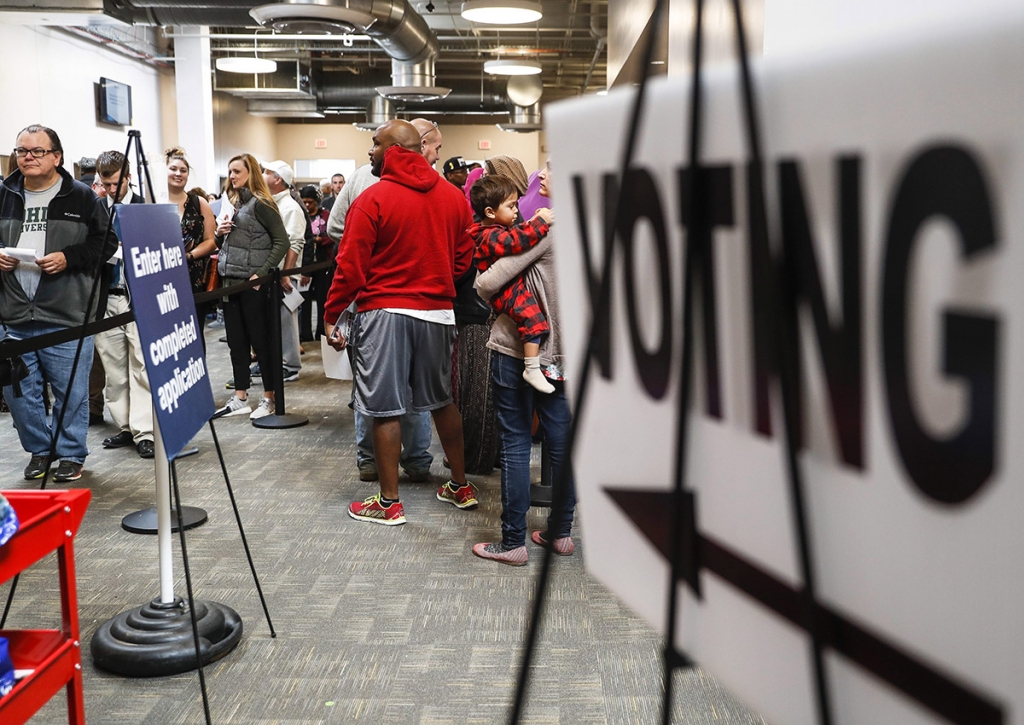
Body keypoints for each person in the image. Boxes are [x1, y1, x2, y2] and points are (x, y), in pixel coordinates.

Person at [325, 119, 474, 525]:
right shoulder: (454, 197)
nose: (370, 151)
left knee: (384, 406)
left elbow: (350, 265)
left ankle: (389, 503)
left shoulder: (373, 199)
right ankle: (459, 486)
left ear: (393, 150)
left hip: (385, 312)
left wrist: (332, 313)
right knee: (442, 401)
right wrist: (437, 277)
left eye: (375, 144)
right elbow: (465, 258)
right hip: (439, 313)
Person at [472, 160, 576, 565]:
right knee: (561, 443)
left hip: (522, 348)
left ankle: (514, 542)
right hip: (565, 352)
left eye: (551, 166)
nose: (542, 172)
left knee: (516, 444)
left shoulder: (548, 229)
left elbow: (487, 282)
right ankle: (562, 533)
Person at [0, 124, 112, 482]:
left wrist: (69, 257)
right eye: (21, 151)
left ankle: (70, 453)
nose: (28, 157)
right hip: (14, 313)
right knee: (18, 393)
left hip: (65, 312)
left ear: (57, 157)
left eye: (37, 151)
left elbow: (105, 244)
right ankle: (40, 449)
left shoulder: (82, 197)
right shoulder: (3, 194)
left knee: (71, 392)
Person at [325, 135, 438, 485]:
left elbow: (335, 231)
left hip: (376, 299)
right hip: (422, 301)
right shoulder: (371, 180)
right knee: (414, 389)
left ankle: (372, 460)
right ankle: (412, 461)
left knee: (371, 387)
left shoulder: (367, 182)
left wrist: (370, 252)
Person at [213, 153, 289, 420]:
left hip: (252, 285)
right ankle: (240, 395)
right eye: (229, 171)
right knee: (237, 343)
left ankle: (269, 396)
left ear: (250, 173)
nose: (231, 176)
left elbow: (282, 241)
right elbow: (227, 246)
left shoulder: (261, 204)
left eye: (236, 171)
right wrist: (219, 234)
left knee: (261, 342)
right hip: (230, 282)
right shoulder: (233, 203)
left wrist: (261, 274)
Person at [94, 149, 155, 459]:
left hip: (137, 297)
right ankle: (125, 426)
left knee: (142, 365)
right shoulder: (96, 207)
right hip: (107, 297)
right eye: (105, 184)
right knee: (114, 367)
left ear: (128, 178)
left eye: (115, 183)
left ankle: (145, 431)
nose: (110, 190)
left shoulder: (144, 208)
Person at [165, 147, 218, 341]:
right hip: (162, 277)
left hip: (193, 276)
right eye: (173, 169)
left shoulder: (199, 203)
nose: (178, 174)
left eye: (183, 170)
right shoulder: (153, 202)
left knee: (194, 333)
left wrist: (190, 255)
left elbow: (211, 241)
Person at [261, 160, 306, 383]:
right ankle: (278, 363)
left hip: (284, 275)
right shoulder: (273, 204)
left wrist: (286, 274)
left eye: (267, 172)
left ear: (278, 179)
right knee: (274, 322)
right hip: (275, 273)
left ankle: (290, 365)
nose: (262, 174)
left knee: (286, 320)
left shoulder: (290, 208)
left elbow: (294, 243)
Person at [298, 185, 332, 342]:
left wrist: (321, 240)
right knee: (303, 301)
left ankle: (322, 332)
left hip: (324, 264)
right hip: (306, 265)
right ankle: (305, 334)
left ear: (316, 201)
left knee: (323, 300)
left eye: (310, 202)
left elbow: (334, 234)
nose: (307, 205)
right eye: (304, 202)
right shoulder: (300, 216)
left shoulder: (326, 215)